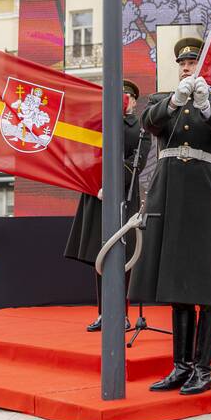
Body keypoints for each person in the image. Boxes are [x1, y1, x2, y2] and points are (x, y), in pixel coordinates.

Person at [130, 36, 211, 396]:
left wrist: (207, 106)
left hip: (201, 193)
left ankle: (203, 369)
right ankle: (181, 366)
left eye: (193, 62)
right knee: (178, 285)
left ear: (203, 67)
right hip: (168, 191)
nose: (187, 67)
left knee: (206, 284)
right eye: (183, 63)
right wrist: (176, 101)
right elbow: (148, 123)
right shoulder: (164, 100)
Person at [66, 79, 149, 331]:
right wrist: (95, 181)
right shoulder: (97, 122)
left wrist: (110, 183)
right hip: (95, 194)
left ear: (133, 101)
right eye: (118, 95)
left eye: (127, 96)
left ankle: (121, 314)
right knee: (98, 255)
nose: (123, 99)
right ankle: (104, 313)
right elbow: (83, 152)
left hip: (123, 196)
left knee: (122, 257)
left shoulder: (140, 128)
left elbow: (137, 162)